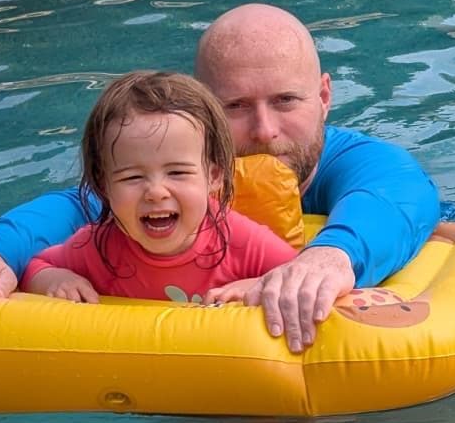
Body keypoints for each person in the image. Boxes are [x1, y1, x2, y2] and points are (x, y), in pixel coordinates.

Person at [0, 3, 451, 352]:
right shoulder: (166, 181)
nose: (264, 131)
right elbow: (75, 207)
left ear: (325, 96)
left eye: (286, 101)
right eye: (235, 106)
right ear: (201, 109)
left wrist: (328, 257)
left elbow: (399, 192)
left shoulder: (357, 163)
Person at [20, 69, 297, 304]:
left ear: (213, 176)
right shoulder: (96, 247)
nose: (155, 192)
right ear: (104, 185)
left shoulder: (243, 243)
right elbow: (36, 265)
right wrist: (56, 279)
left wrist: (259, 285)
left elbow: (298, 274)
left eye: (177, 172)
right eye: (132, 177)